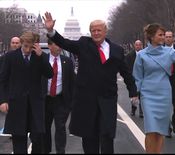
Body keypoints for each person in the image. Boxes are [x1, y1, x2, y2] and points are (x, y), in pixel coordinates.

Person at [43, 12, 138, 154]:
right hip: (86, 100)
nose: (96, 33)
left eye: (99, 30)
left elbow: (126, 73)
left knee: (107, 135)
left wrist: (133, 91)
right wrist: (51, 31)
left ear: (105, 31)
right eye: (93, 30)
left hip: (107, 99)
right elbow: (64, 43)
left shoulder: (117, 50)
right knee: (89, 136)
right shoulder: (83, 44)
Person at [132, 23, 175, 153]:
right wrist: (135, 94)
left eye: (164, 35)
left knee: (160, 131)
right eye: (160, 35)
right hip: (148, 95)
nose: (163, 37)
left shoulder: (169, 52)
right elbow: (138, 76)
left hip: (164, 94)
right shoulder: (141, 55)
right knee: (151, 130)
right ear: (151, 36)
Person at [0, 31, 53, 154]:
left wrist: (41, 57)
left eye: (31, 46)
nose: (28, 50)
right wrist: (3, 100)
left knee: (38, 139)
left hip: (35, 104)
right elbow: (3, 80)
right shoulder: (10, 57)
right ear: (21, 44)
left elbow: (50, 74)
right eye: (25, 46)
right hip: (16, 103)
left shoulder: (40, 56)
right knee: (18, 139)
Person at [32, 38, 75, 154]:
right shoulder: (42, 59)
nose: (59, 47)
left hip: (61, 100)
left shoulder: (67, 61)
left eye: (60, 45)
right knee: (44, 128)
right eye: (56, 45)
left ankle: (60, 151)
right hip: (45, 100)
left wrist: (71, 103)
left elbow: (72, 82)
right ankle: (46, 150)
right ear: (49, 46)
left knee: (60, 128)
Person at [125, 40, 143, 117]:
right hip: (133, 78)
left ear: (141, 45)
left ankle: (141, 112)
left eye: (139, 45)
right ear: (134, 46)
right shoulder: (129, 55)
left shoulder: (144, 54)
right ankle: (133, 109)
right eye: (136, 45)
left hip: (143, 78)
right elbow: (127, 67)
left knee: (142, 96)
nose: (138, 46)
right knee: (134, 95)